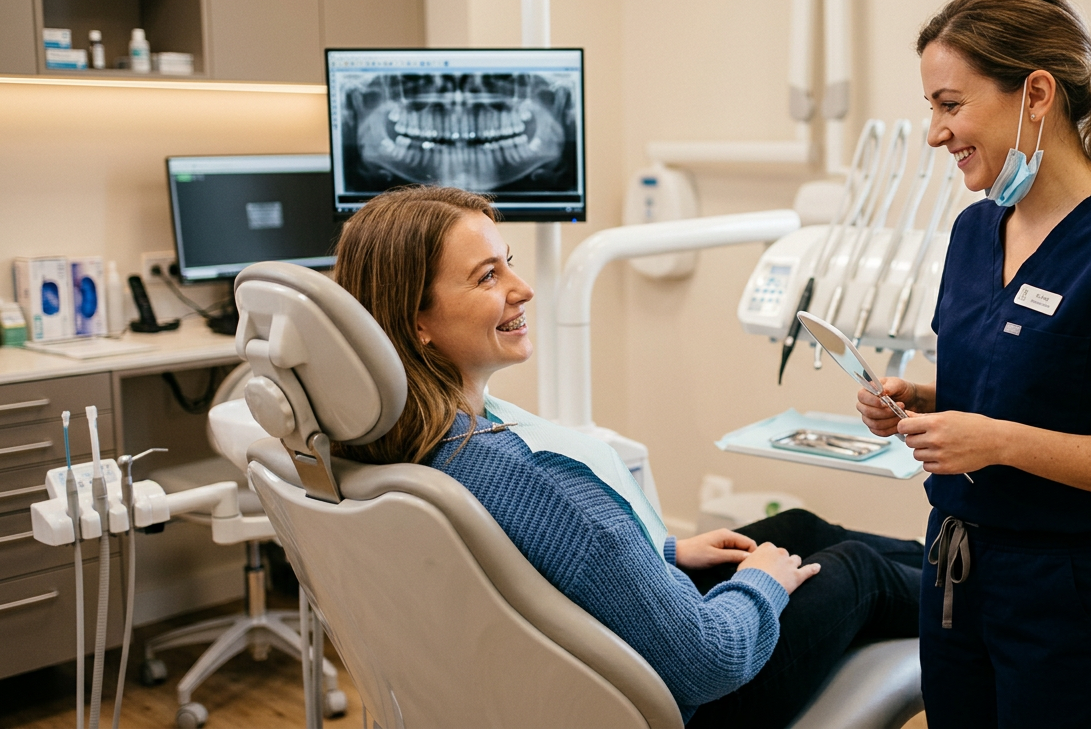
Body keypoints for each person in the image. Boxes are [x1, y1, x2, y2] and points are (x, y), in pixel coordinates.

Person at [331, 185, 924, 728]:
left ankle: (955, 565)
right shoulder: (529, 477)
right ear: (417, 320)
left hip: (563, 674)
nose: (523, 288)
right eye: (488, 277)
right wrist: (760, 586)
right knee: (855, 569)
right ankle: (995, 600)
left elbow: (516, 565)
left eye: (508, 261)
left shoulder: (387, 447)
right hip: (686, 704)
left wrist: (662, 552)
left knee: (798, 528)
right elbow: (710, 661)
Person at [855, 0, 1091, 729]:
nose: (933, 133)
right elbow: (1023, 383)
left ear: (1037, 93)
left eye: (950, 105)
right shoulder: (975, 232)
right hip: (955, 568)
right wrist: (922, 400)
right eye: (931, 108)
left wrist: (999, 442)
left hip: (1071, 593)